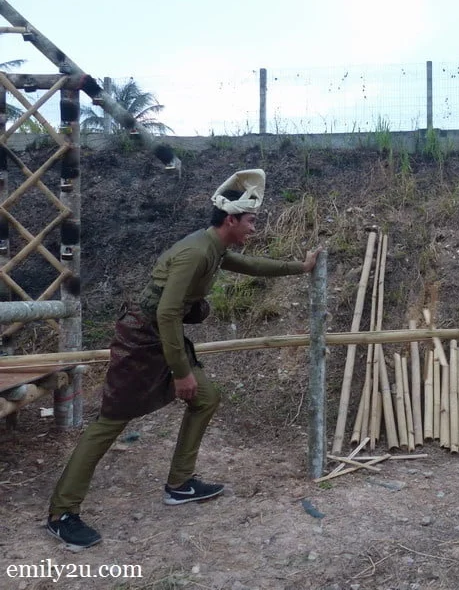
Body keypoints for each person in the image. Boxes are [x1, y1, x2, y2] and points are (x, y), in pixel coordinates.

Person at [46, 169, 321, 547]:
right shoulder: (195, 252)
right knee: (109, 423)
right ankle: (62, 513)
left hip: (163, 335)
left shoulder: (215, 248)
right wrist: (181, 373)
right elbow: (167, 313)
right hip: (142, 339)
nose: (254, 228)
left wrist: (300, 268)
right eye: (251, 221)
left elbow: (252, 266)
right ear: (231, 220)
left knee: (206, 398)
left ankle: (179, 484)